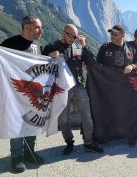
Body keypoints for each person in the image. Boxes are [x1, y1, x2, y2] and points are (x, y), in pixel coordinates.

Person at [0, 15, 45, 173]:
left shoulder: (37, 44)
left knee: (32, 122)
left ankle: (30, 152)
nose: (41, 30)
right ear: (27, 27)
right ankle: (17, 157)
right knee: (17, 125)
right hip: (15, 94)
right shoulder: (10, 43)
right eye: (38, 27)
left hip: (33, 93)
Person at [42, 24, 103, 155]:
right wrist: (49, 56)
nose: (72, 38)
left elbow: (92, 61)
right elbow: (40, 64)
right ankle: (69, 142)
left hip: (78, 85)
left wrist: (84, 45)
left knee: (87, 115)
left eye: (75, 36)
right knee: (63, 118)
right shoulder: (51, 46)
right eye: (70, 35)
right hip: (61, 88)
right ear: (63, 32)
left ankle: (88, 142)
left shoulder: (78, 46)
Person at [96, 25, 137, 146]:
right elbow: (97, 65)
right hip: (109, 87)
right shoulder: (105, 48)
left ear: (122, 35)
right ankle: (106, 135)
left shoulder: (131, 49)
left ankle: (130, 135)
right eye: (111, 34)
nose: (112, 36)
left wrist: (132, 66)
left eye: (115, 34)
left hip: (126, 88)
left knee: (128, 111)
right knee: (108, 110)